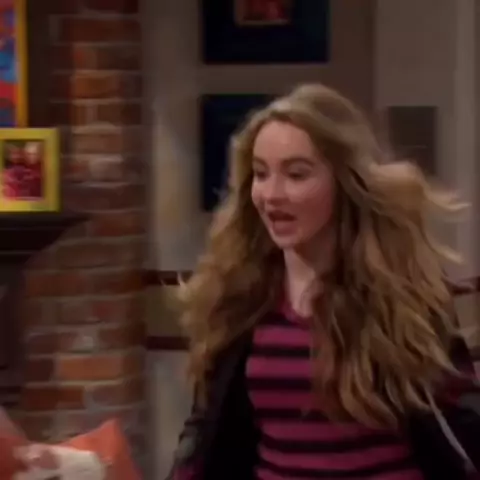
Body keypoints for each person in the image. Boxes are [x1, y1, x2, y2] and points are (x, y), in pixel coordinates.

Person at [168, 84, 480, 479]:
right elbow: (206, 430)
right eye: (261, 174)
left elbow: (460, 423)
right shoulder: (239, 294)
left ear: (344, 180)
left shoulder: (403, 295)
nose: (272, 194)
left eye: (296, 174)